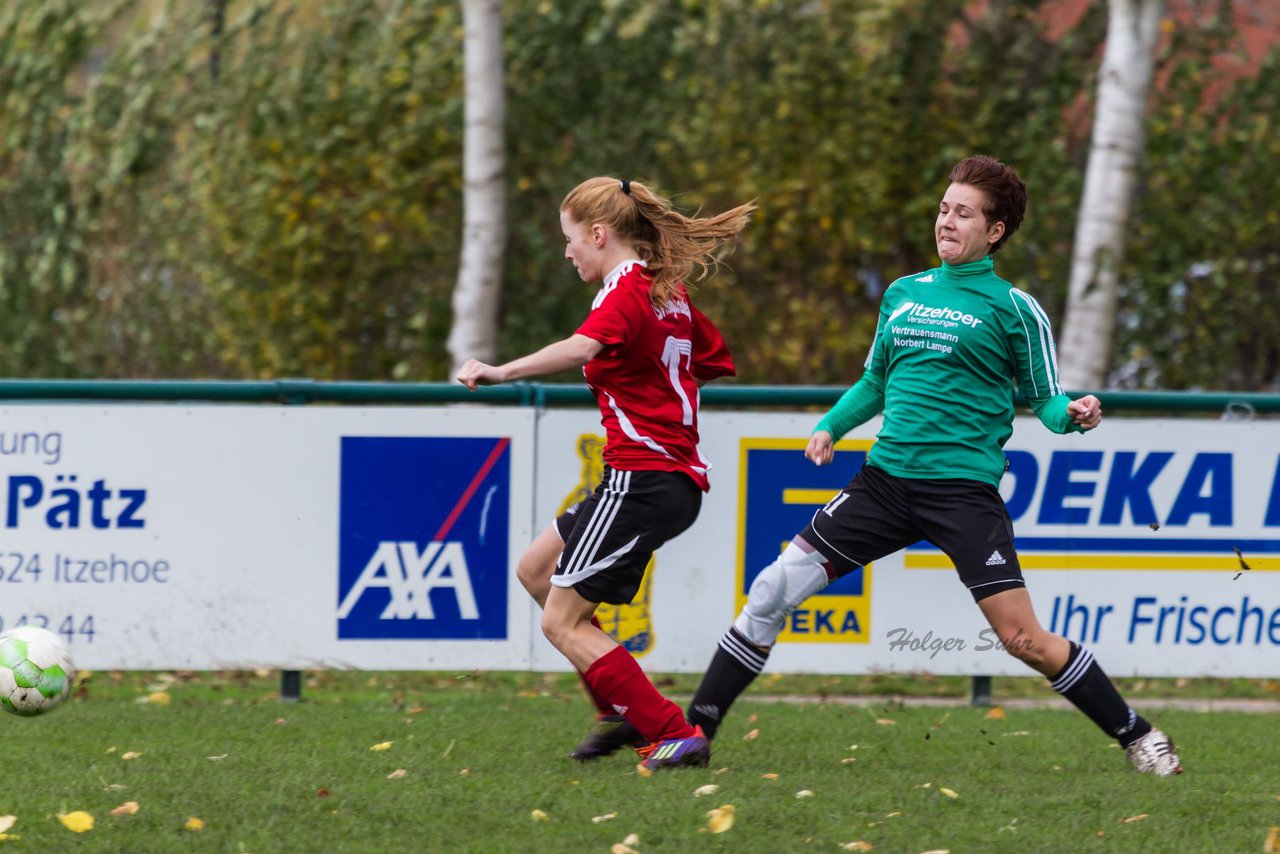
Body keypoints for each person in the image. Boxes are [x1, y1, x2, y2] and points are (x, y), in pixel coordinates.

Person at [684, 155, 1182, 777]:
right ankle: (694, 735)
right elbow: (875, 382)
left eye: (963, 213)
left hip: (962, 495)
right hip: (885, 485)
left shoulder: (1016, 309)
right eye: (944, 208)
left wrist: (1072, 414)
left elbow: (1044, 398)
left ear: (994, 231)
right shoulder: (903, 293)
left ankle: (1140, 736)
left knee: (1024, 640)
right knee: (771, 589)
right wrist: (829, 427)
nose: (946, 220)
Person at [457, 176, 755, 774]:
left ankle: (672, 732)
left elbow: (581, 350)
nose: (567, 252)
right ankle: (620, 708)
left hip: (642, 477)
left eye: (570, 239)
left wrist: (499, 371)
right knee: (536, 570)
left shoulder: (624, 293)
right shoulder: (666, 294)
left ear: (599, 234)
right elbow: (711, 358)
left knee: (560, 621)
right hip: (661, 478)